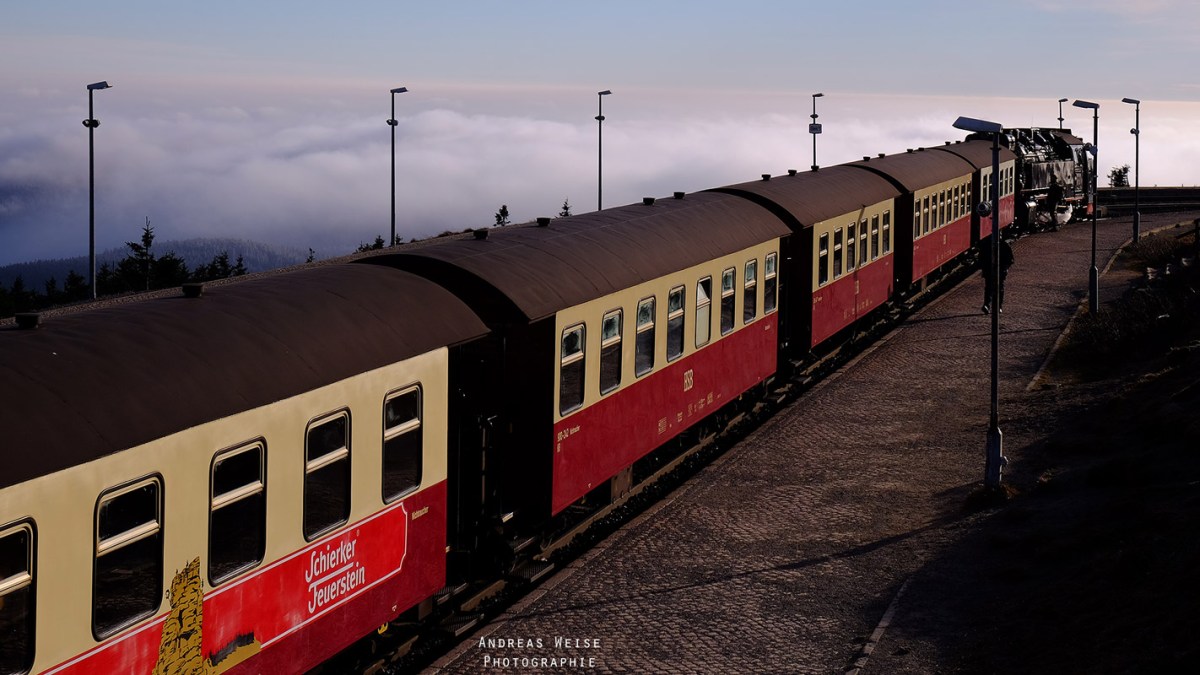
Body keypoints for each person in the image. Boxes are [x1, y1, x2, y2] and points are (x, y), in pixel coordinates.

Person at [979, 233, 1014, 314]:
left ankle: (995, 305)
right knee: (994, 288)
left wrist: (1005, 268)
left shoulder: (1002, 246)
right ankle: (990, 305)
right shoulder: (1003, 245)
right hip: (991, 270)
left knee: (993, 288)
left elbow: (1010, 260)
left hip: (999, 270)